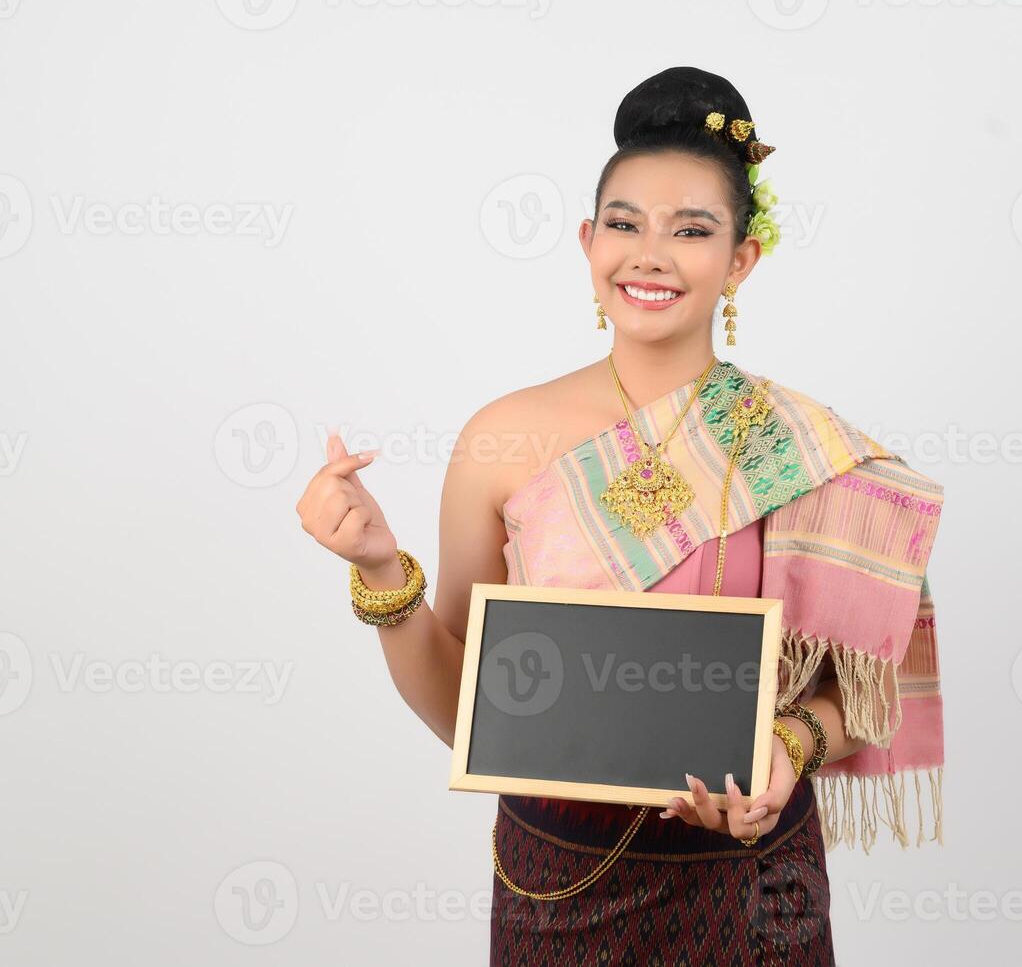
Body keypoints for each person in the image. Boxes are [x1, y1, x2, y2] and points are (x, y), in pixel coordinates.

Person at [295, 66, 947, 965]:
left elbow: (865, 686)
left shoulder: (801, 445)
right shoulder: (503, 438)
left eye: (691, 230)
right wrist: (377, 568)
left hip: (758, 881)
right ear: (586, 241)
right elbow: (465, 710)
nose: (649, 254)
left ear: (740, 259)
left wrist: (791, 746)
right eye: (624, 224)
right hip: (559, 879)